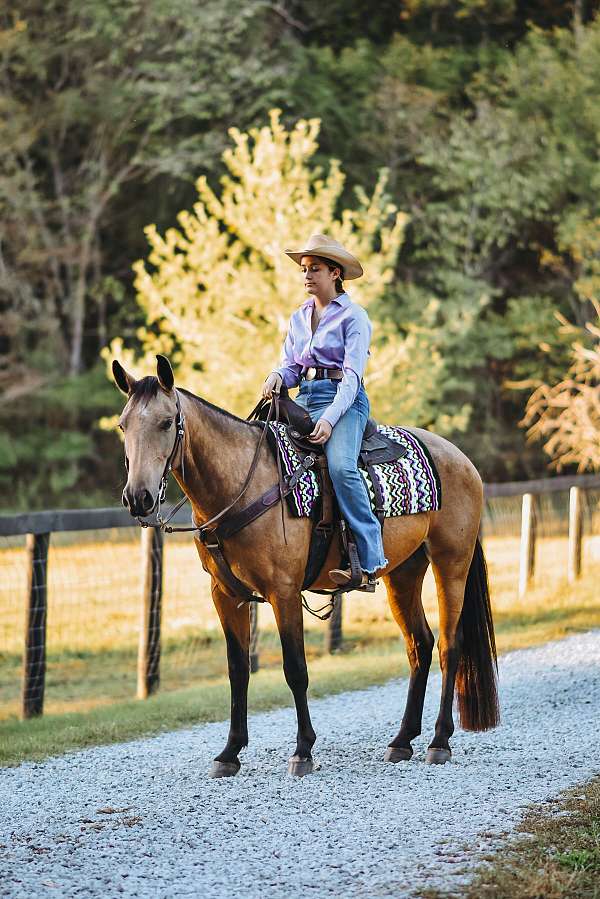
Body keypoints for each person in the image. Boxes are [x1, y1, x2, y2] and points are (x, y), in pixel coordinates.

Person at [262, 234, 388, 586]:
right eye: (304, 269)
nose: (306, 275)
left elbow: (352, 378)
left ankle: (370, 558)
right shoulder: (299, 317)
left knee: (341, 467)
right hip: (304, 396)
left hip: (345, 401)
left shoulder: (355, 317)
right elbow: (291, 366)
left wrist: (331, 419)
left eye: (314, 269)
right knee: (264, 447)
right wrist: (276, 375)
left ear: (335, 273)